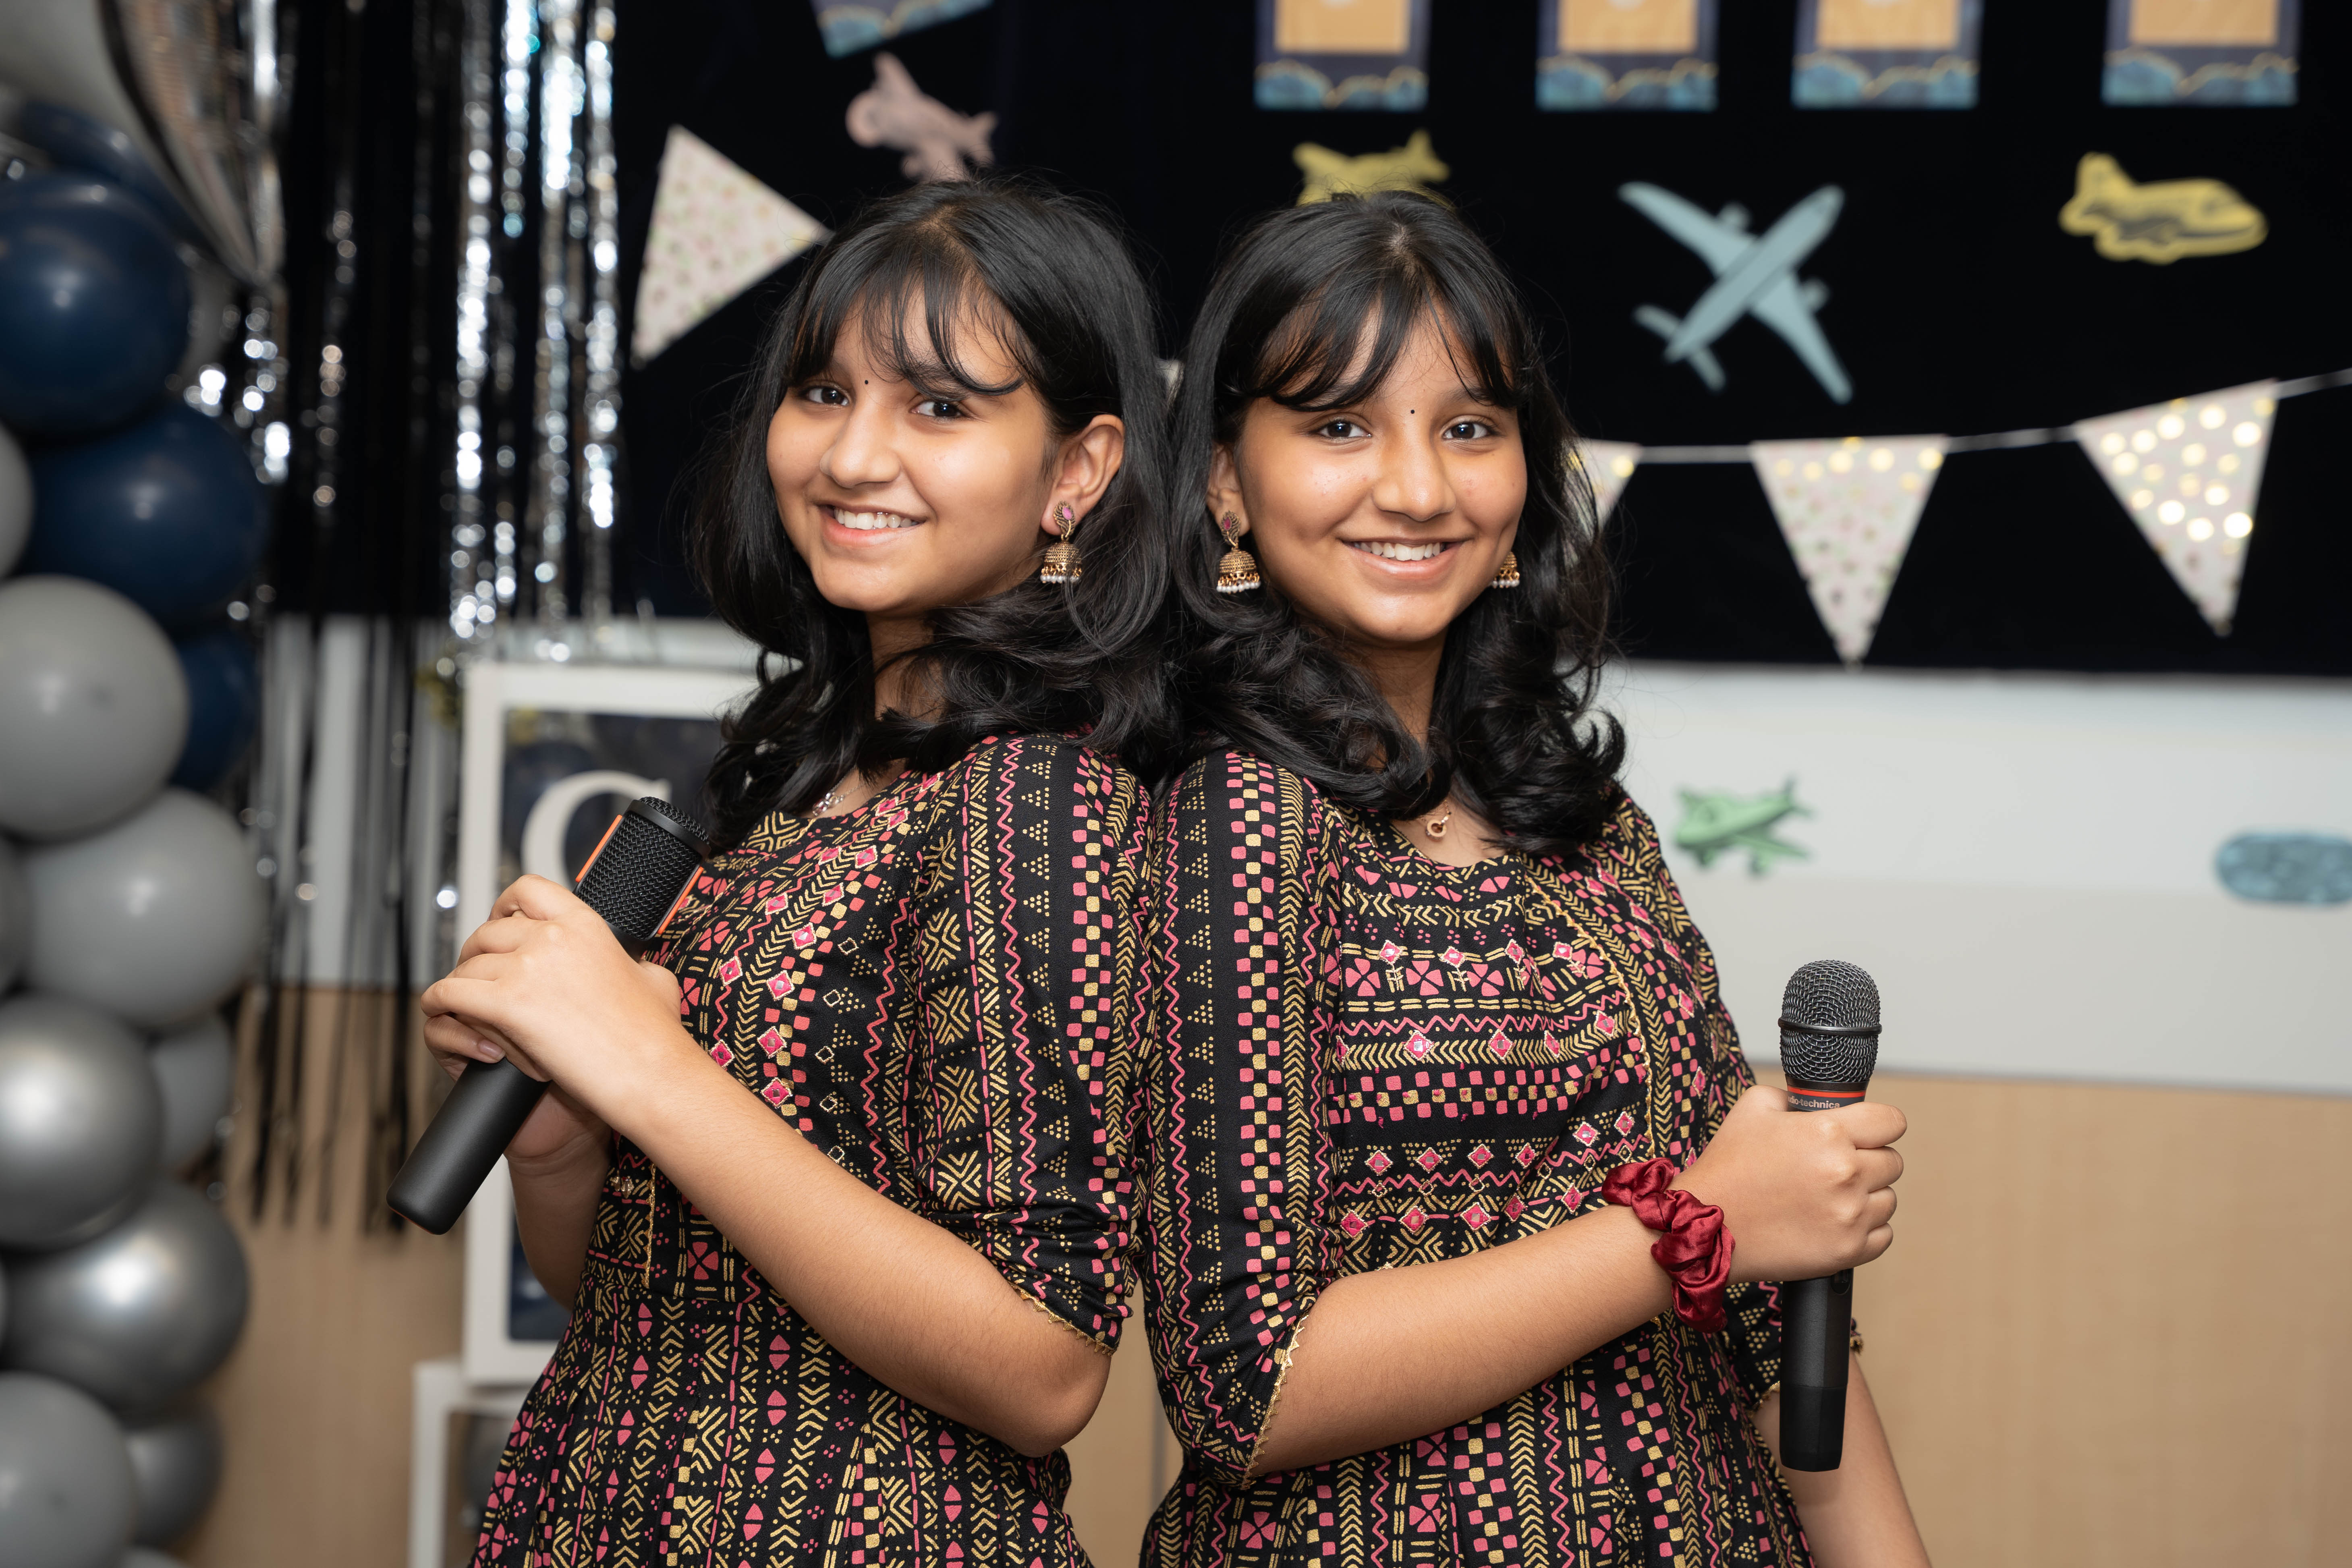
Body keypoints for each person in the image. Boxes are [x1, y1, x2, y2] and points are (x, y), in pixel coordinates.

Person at [1134, 191, 1929, 1568]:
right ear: (1225, 485)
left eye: (1469, 428)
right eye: (1339, 426)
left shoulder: (1585, 823)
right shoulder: (1224, 821)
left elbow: (1763, 1309)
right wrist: (1687, 1227)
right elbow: (1248, 1386)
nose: (1417, 487)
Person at [420, 177, 1174, 1567]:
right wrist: (563, 1135)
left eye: (939, 406)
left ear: (1078, 471)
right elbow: (646, 1299)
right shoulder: (789, 784)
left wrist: (649, 1067)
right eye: (824, 393)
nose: (855, 454)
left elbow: (1041, 1363)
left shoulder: (1038, 798)